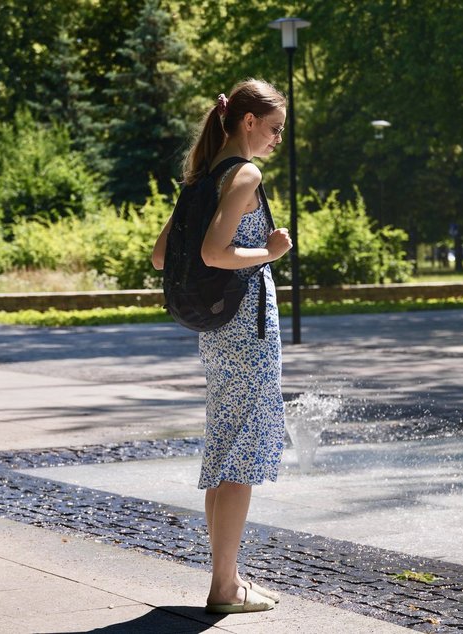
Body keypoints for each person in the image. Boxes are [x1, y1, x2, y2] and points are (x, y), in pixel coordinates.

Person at [152, 79, 293, 613]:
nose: (277, 139)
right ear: (248, 122)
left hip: (217, 332)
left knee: (227, 446)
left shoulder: (202, 176)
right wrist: (268, 252)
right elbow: (216, 253)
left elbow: (161, 256)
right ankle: (224, 588)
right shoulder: (245, 174)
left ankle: (227, 578)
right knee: (243, 454)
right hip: (248, 329)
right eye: (274, 128)